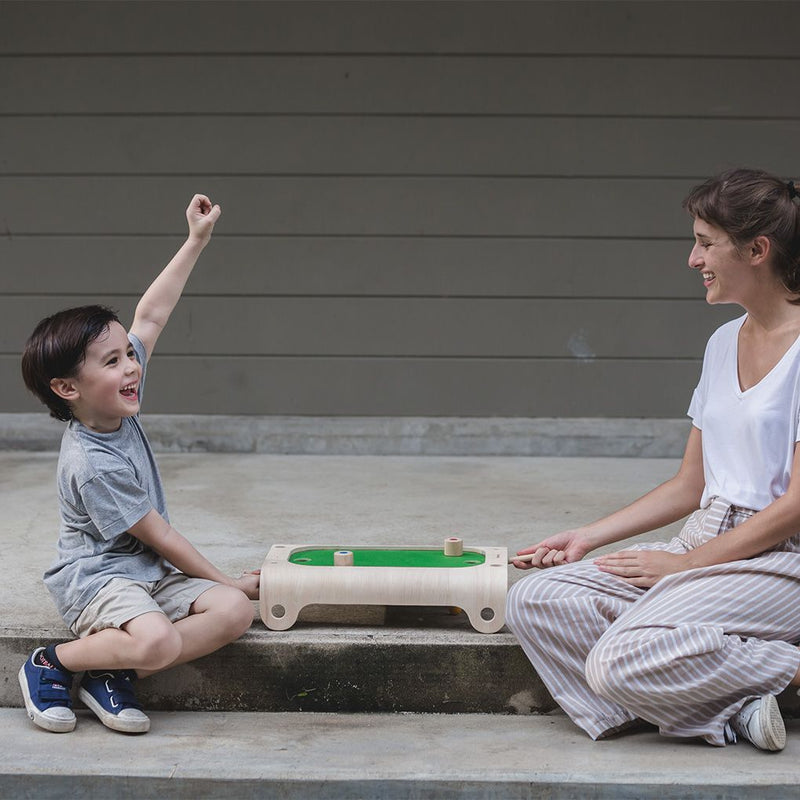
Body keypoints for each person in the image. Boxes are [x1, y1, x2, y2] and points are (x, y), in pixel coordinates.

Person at [507, 168, 800, 751]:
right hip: (707, 533)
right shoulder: (723, 343)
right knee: (536, 599)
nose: (693, 259)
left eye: (705, 242)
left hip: (778, 557)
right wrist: (589, 535)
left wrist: (686, 568)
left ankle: (781, 673)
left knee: (617, 660)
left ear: (758, 250)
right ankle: (727, 709)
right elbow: (691, 484)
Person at [18, 194, 260, 735]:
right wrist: (230, 579)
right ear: (67, 388)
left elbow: (151, 313)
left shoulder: (113, 393)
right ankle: (53, 662)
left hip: (145, 577)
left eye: (129, 354)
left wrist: (195, 240)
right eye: (114, 360)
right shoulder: (92, 462)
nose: (132, 365)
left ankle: (112, 669)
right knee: (161, 637)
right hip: (99, 582)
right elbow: (163, 537)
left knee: (232, 614)